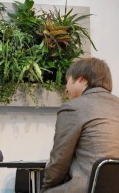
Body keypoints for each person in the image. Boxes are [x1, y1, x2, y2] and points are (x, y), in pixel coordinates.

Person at [41, 57, 119, 192]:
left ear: (81, 80)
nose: (66, 90)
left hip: (91, 187)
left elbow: (59, 161)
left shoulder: (74, 107)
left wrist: (45, 188)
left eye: (68, 82)